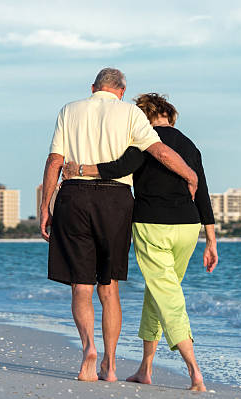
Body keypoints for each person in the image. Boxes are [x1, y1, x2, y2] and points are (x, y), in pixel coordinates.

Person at [40, 69, 199, 383]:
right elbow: (161, 152)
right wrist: (191, 176)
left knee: (80, 286)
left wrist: (45, 206)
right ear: (122, 91)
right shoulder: (130, 113)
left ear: (93, 88)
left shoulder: (69, 110)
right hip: (116, 200)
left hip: (74, 196)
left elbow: (54, 161)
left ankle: (88, 350)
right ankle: (110, 366)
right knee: (109, 288)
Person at [62, 93, 218, 391]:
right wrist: (211, 240)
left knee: (167, 295)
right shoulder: (190, 145)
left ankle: (194, 371)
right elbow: (203, 191)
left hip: (152, 224)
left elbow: (118, 168)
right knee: (160, 291)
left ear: (143, 117)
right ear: (170, 116)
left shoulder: (144, 141)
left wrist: (81, 170)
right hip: (189, 227)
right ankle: (145, 369)